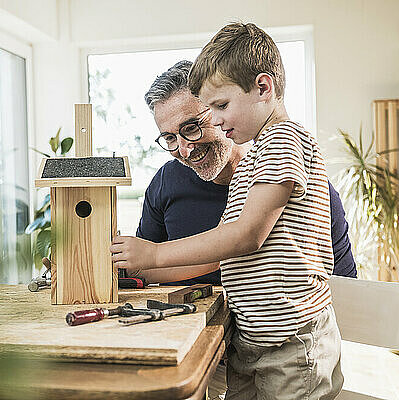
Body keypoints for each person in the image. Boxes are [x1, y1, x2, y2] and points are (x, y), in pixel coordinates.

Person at [111, 23, 343, 399]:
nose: (216, 118)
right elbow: (217, 251)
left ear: (264, 89)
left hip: (290, 340)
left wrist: (153, 251)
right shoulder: (253, 164)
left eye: (218, 107)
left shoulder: (283, 141)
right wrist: (130, 264)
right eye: (169, 137)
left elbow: (245, 236)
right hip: (252, 338)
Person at [136, 60, 356, 285]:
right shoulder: (164, 184)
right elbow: (143, 272)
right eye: (170, 138)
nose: (184, 150)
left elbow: (345, 287)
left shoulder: (300, 179)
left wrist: (155, 254)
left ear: (219, 110)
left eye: (192, 128)